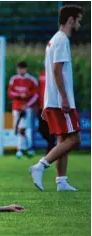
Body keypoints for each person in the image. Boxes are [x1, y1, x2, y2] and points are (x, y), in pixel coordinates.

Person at [29, 5, 84, 192]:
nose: (79, 24)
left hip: (53, 100)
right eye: (78, 20)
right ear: (70, 20)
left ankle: (61, 182)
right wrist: (64, 98)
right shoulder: (61, 40)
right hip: (60, 101)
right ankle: (40, 166)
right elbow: (56, 70)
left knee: (63, 139)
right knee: (75, 139)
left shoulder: (54, 40)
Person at [8, 61, 39, 158]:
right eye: (18, 69)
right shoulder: (14, 79)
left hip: (27, 109)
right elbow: (10, 93)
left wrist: (27, 105)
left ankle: (20, 150)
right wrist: (19, 95)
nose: (20, 70)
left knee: (24, 129)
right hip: (16, 107)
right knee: (18, 129)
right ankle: (28, 149)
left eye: (22, 68)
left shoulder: (32, 80)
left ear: (26, 69)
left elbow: (36, 95)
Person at [37, 70, 56, 154]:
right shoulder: (42, 74)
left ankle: (50, 149)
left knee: (51, 129)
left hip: (52, 106)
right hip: (41, 106)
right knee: (41, 129)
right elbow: (38, 89)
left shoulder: (56, 71)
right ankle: (52, 145)